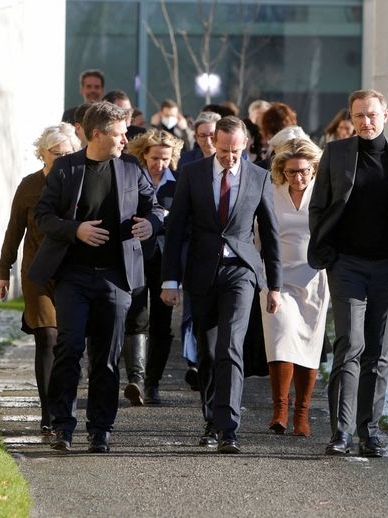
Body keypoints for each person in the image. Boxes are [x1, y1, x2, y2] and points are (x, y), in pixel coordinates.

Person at [27, 101, 164, 453]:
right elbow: (43, 215)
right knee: (69, 348)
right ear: (97, 134)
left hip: (116, 278)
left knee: (106, 357)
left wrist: (151, 223)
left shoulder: (131, 167)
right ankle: (63, 426)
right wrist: (76, 230)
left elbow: (155, 207)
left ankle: (101, 429)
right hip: (72, 276)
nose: (125, 140)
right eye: (119, 134)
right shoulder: (67, 168)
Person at [308, 89, 388, 458]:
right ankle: (341, 433)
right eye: (359, 115)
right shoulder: (336, 153)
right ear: (351, 117)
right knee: (349, 345)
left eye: (372, 114)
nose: (366, 121)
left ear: (385, 115)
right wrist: (329, 254)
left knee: (377, 352)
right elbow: (319, 206)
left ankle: (369, 433)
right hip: (347, 265)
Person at [160, 116, 282, 454]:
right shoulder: (193, 174)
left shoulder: (258, 176)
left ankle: (229, 428)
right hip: (202, 271)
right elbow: (175, 229)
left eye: (236, 151)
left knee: (231, 346)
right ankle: (211, 421)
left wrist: (274, 285)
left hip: (240, 271)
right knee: (209, 350)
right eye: (224, 150)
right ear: (214, 142)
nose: (230, 157)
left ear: (245, 145)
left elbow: (270, 234)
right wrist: (170, 280)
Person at [0, 123, 80, 436]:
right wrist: (3, 270)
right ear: (42, 153)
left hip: (72, 271)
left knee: (69, 344)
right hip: (37, 273)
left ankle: (64, 408)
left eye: (67, 154)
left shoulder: (81, 182)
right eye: (55, 153)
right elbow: (14, 229)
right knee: (47, 337)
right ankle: (48, 412)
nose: (61, 159)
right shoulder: (30, 185)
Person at [259, 138, 329, 437]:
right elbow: (258, 235)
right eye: (291, 172)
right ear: (281, 171)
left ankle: (302, 413)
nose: (298, 177)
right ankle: (280, 410)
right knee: (280, 337)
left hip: (314, 278)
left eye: (303, 171)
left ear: (314, 169)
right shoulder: (272, 193)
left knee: (308, 345)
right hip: (277, 279)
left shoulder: (324, 194)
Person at [126, 129, 184, 404]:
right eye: (154, 158)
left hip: (166, 260)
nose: (159, 164)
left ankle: (152, 384)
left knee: (162, 322)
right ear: (143, 155)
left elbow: (184, 222)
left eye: (165, 159)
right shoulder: (134, 180)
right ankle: (135, 380)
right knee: (136, 316)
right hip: (137, 256)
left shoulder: (179, 183)